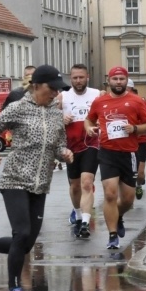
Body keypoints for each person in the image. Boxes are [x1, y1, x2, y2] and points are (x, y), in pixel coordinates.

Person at [0, 65, 73, 291]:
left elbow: (58, 146)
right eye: (53, 88)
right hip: (15, 180)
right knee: (22, 233)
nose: (56, 94)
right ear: (37, 86)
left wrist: (65, 153)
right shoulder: (17, 108)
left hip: (40, 184)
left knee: (26, 243)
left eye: (59, 90)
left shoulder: (56, 113)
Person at [85, 66, 146, 250]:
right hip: (107, 152)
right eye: (115, 79)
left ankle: (119, 215)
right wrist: (89, 128)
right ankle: (112, 235)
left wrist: (135, 129)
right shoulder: (100, 101)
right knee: (110, 193)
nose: (118, 82)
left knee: (128, 200)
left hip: (129, 153)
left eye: (122, 79)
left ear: (126, 81)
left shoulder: (136, 101)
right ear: (109, 81)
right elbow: (89, 119)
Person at [60, 63, 100, 238]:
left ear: (87, 77)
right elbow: (50, 117)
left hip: (91, 143)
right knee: (75, 185)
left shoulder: (97, 95)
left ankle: (85, 221)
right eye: (75, 78)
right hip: (72, 146)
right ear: (71, 79)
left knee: (86, 182)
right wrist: (62, 118)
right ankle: (77, 214)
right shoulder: (63, 97)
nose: (78, 81)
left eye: (81, 77)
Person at [127, 78, 146, 200]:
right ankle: (127, 193)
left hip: (140, 140)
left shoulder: (140, 101)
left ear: (131, 88)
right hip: (125, 142)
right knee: (128, 172)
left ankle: (139, 184)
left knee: (140, 173)